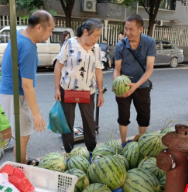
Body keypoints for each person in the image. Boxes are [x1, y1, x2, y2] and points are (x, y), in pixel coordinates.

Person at [0, 10, 55, 164]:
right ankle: (20, 166)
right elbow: (27, 86)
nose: (50, 34)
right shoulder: (29, 48)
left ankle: (22, 160)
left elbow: (7, 55)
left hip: (8, 90)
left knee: (21, 133)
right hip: (15, 93)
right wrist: (36, 114)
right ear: (39, 27)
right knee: (23, 135)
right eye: (50, 30)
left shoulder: (19, 34)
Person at [54, 18, 104, 154]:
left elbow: (98, 71)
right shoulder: (69, 44)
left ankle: (91, 150)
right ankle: (69, 151)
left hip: (88, 91)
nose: (96, 39)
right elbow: (58, 66)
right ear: (86, 32)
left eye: (98, 36)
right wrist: (57, 89)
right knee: (68, 122)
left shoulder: (97, 49)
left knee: (89, 122)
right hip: (68, 89)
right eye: (95, 36)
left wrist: (101, 92)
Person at [113, 14, 156, 147]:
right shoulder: (120, 45)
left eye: (131, 29)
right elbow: (117, 69)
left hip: (142, 86)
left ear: (140, 29)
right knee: (123, 117)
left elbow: (149, 68)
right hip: (124, 87)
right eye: (126, 28)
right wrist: (117, 87)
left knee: (144, 117)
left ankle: (142, 143)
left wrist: (136, 85)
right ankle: (124, 143)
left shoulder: (149, 42)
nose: (127, 32)